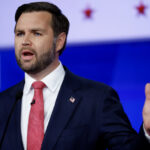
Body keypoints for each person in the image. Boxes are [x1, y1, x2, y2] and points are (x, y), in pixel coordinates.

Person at [0, 1, 150, 150]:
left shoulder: (97, 98)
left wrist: (148, 132)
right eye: (20, 34)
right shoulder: (3, 103)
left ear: (59, 42)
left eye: (36, 33)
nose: (25, 41)